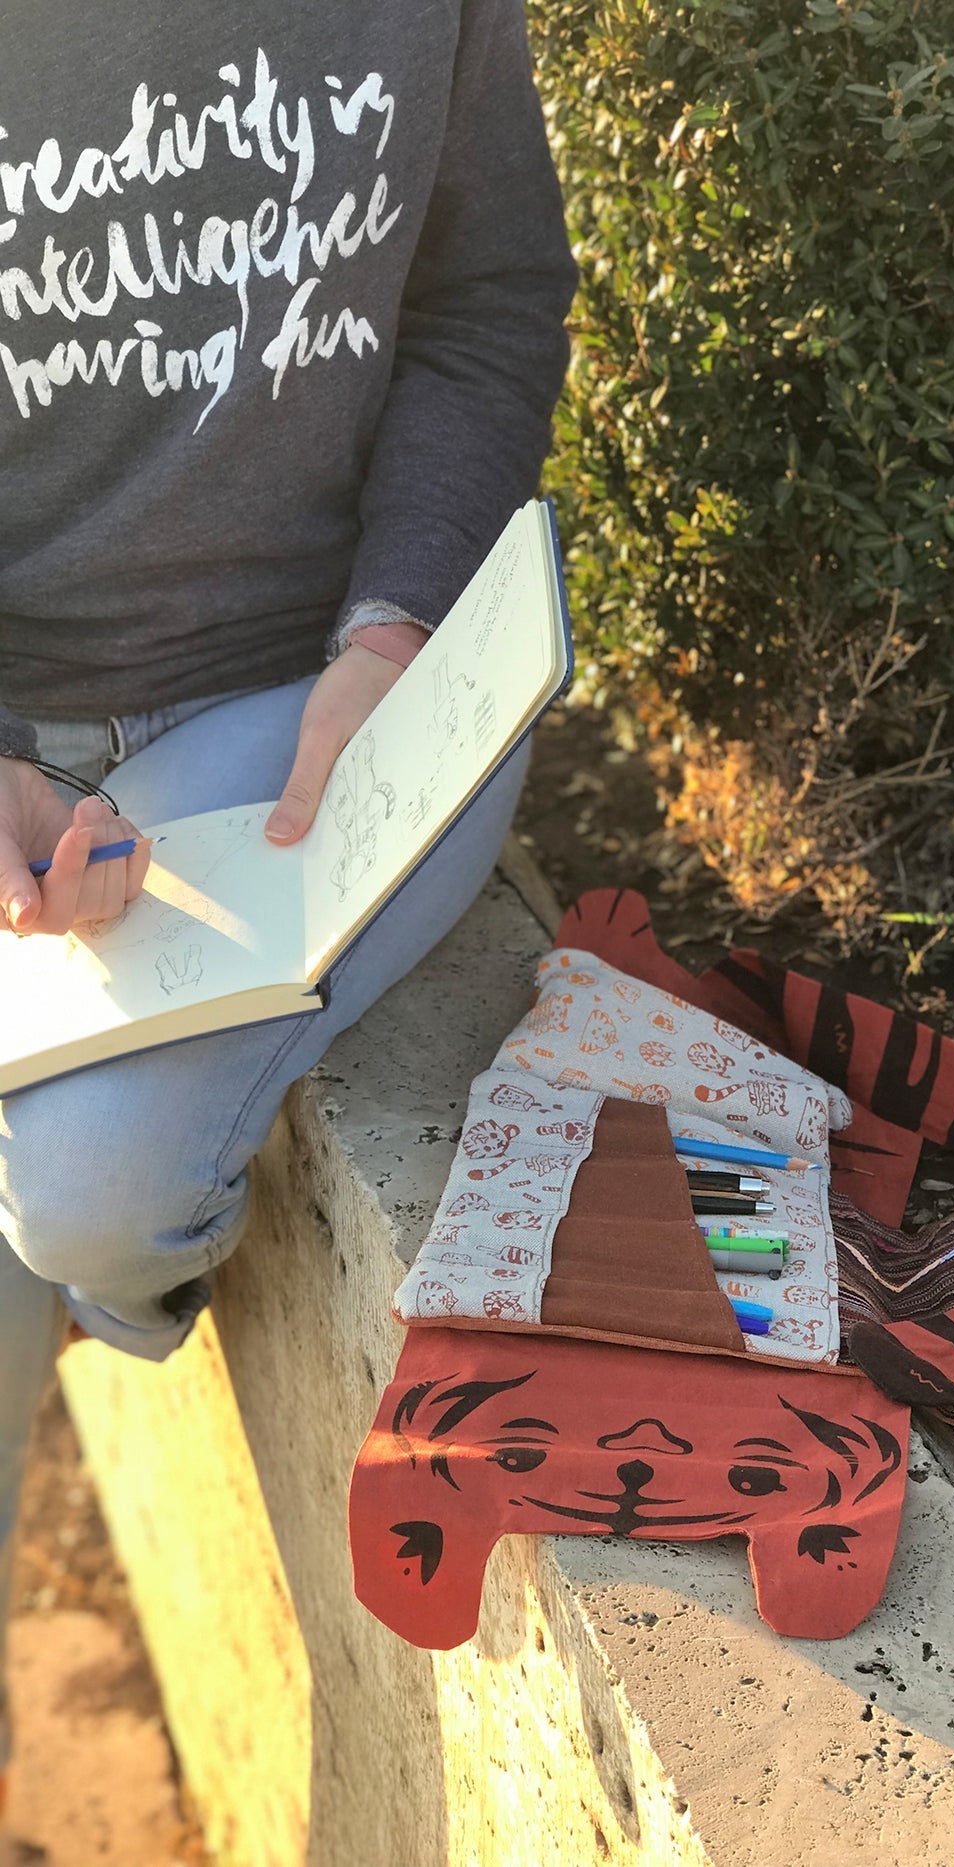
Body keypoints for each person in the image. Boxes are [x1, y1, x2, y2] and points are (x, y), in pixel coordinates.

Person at [0, 0, 577, 1829]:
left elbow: (491, 305)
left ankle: (111, 1292)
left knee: (85, 1197)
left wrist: (394, 627)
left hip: (321, 708)